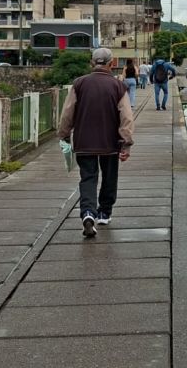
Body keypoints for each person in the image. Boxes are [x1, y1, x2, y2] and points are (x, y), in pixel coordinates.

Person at [57, 47, 135, 238]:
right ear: (111, 63)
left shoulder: (79, 84)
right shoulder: (118, 86)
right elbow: (126, 117)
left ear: (92, 63)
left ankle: (88, 213)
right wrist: (126, 142)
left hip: (84, 141)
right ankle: (104, 213)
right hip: (110, 143)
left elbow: (68, 112)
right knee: (109, 177)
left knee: (88, 178)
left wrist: (64, 134)